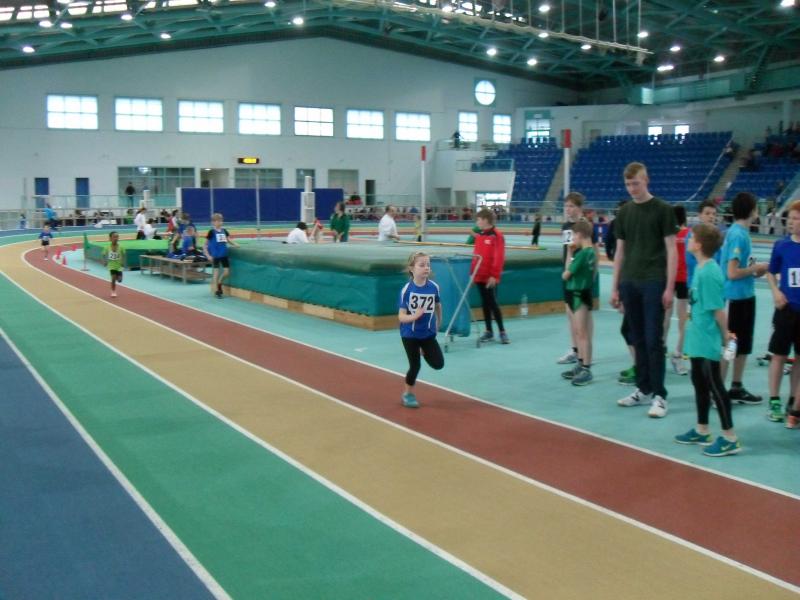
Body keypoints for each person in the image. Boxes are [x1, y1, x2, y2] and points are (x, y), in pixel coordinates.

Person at [611, 162, 678, 419]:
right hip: (630, 282)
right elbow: (620, 252)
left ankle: (660, 395)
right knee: (637, 338)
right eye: (628, 184)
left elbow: (672, 250)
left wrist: (669, 287)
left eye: (636, 183)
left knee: (653, 339)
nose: (632, 188)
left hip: (654, 282)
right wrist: (615, 287)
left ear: (646, 180)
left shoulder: (663, 210)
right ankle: (643, 388)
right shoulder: (625, 212)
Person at [674, 223, 740, 457]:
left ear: (699, 245)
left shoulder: (710, 272)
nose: (688, 239)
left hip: (706, 338)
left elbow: (718, 310)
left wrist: (725, 336)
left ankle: (730, 437)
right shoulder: (701, 268)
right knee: (699, 383)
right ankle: (702, 429)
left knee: (715, 386)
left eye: (692, 237)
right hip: (696, 336)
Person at [719, 192, 769, 404]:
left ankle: (736, 387)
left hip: (745, 296)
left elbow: (741, 268)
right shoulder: (738, 235)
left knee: (742, 345)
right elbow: (732, 272)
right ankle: (718, 390)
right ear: (752, 211)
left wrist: (754, 270)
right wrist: (755, 268)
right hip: (735, 298)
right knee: (731, 346)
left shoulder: (739, 233)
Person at [765, 200, 800, 423]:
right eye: (791, 218)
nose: (792, 222)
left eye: (797, 218)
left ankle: (794, 400)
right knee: (778, 355)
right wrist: (775, 291)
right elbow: (771, 272)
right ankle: (774, 399)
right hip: (786, 310)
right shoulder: (781, 246)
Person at [398, 252, 445, 408]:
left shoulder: (434, 287)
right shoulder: (407, 290)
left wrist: (438, 322)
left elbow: (438, 306)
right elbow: (401, 317)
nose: (426, 268)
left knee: (438, 364)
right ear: (412, 269)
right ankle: (407, 394)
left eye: (428, 265)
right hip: (409, 334)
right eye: (422, 265)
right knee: (415, 366)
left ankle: (423, 349)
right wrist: (415, 316)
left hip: (428, 333)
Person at [557, 192, 597, 365]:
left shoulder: (585, 227)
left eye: (571, 206)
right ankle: (575, 350)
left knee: (583, 317)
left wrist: (593, 274)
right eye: (566, 206)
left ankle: (585, 353)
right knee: (570, 314)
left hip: (581, 276)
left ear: (580, 208)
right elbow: (567, 249)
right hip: (570, 273)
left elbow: (594, 251)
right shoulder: (566, 226)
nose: (568, 209)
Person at [560, 220, 596, 386]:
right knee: (580, 332)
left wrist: (569, 253)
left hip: (578, 294)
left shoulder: (582, 254)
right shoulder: (591, 252)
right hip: (582, 293)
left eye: (574, 235)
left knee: (581, 333)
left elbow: (566, 274)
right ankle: (581, 364)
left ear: (580, 235)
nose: (572, 238)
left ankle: (586, 368)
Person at [471, 208, 509, 344]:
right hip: (479, 276)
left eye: (478, 220)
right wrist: (473, 274)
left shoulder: (497, 235)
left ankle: (502, 332)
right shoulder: (480, 235)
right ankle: (489, 331)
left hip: (490, 277)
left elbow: (499, 257)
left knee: (492, 303)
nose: (477, 222)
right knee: (484, 303)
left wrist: (494, 275)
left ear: (485, 220)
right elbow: (476, 256)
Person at [664, 205, 690, 376]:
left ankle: (661, 349)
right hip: (683, 280)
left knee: (665, 318)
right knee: (683, 321)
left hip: (670, 278)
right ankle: (678, 355)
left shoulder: (668, 235)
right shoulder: (689, 234)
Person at [204, 213, 239, 299]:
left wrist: (235, 244)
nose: (220, 222)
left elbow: (228, 240)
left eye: (221, 221)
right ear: (213, 222)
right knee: (216, 274)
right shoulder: (211, 232)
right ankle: (217, 291)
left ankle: (220, 283)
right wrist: (208, 255)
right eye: (217, 221)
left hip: (224, 255)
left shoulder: (224, 231)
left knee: (227, 272)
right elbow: (205, 245)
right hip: (215, 256)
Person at [102, 231, 125, 298]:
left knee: (119, 280)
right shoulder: (107, 247)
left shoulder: (121, 247)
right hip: (111, 265)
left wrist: (123, 261)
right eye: (114, 237)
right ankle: (113, 291)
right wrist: (104, 261)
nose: (116, 238)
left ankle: (119, 276)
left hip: (119, 266)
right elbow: (103, 254)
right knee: (113, 278)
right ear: (110, 238)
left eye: (117, 237)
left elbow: (123, 254)